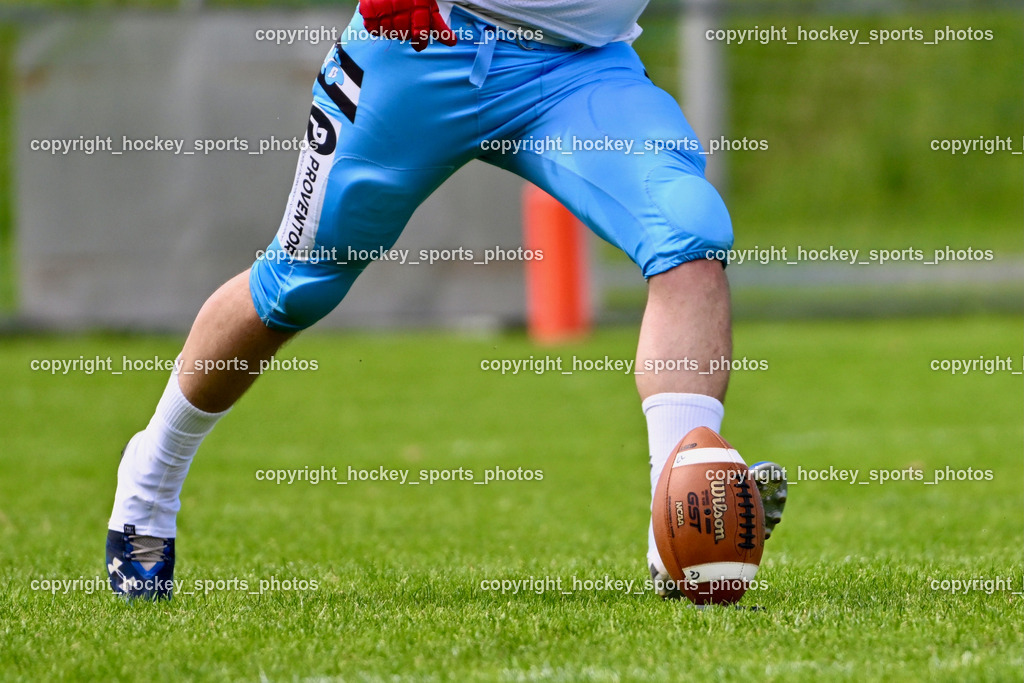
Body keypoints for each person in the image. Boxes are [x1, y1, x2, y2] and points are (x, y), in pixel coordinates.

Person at [105, 0, 787, 600]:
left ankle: (676, 527)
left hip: (578, 67)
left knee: (689, 233)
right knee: (296, 285)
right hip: (423, 44)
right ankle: (150, 478)